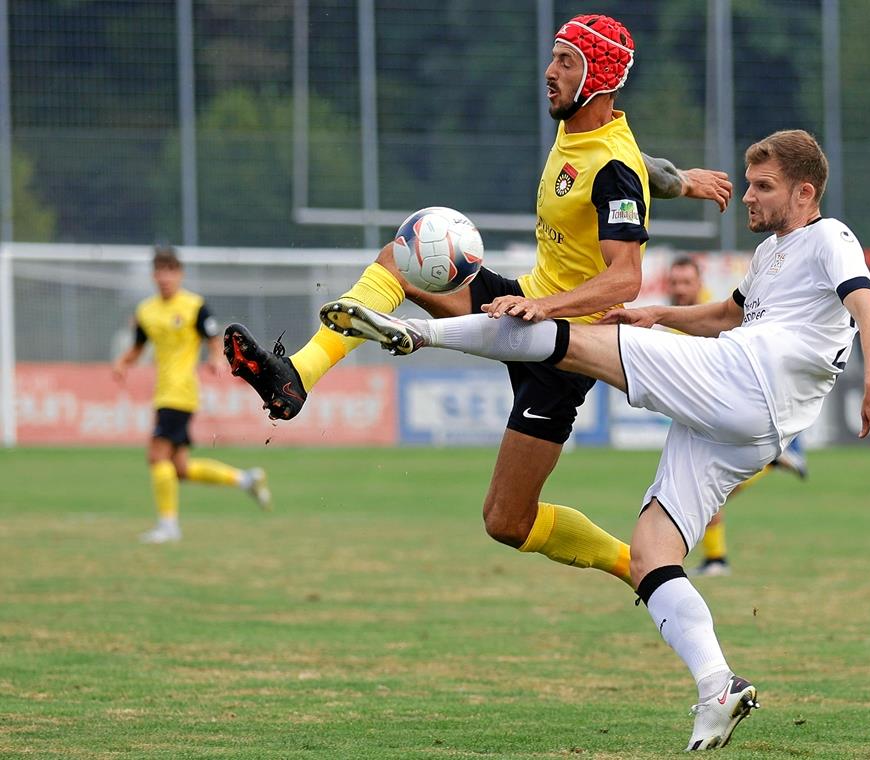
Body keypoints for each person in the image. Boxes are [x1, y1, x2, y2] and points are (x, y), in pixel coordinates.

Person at [319, 129, 870, 749]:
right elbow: (728, 316)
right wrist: (658, 315)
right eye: (750, 184)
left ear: (805, 192)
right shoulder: (769, 257)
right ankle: (718, 686)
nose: (749, 197)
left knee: (561, 334)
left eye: (764, 187)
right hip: (756, 425)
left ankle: (414, 336)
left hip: (747, 380)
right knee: (653, 549)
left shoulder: (829, 237)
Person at [223, 14, 731, 588]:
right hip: (521, 304)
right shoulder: (591, 134)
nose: (550, 71)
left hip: (565, 349)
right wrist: (684, 180)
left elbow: (626, 279)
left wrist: (548, 309)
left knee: (506, 521)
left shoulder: (612, 166)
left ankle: (638, 568)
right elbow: (648, 170)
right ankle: (294, 379)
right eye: (554, 56)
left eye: (567, 61)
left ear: (599, 80)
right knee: (403, 256)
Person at [112, 246, 271, 544]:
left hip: (181, 392)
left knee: (155, 456)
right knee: (179, 469)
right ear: (153, 275)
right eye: (159, 271)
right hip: (164, 392)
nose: (164, 277)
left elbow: (213, 340)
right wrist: (122, 362)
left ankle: (168, 527)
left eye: (170, 271)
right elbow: (137, 348)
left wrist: (214, 359)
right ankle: (246, 479)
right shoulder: (146, 311)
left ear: (179, 274)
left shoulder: (195, 306)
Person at [665, 255, 809, 577]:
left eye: (686, 282)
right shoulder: (675, 319)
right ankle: (715, 559)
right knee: (706, 491)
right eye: (675, 282)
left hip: (725, 417)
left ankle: (711, 559)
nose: (680, 289)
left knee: (702, 489)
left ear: (699, 283)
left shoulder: (712, 317)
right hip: (703, 418)